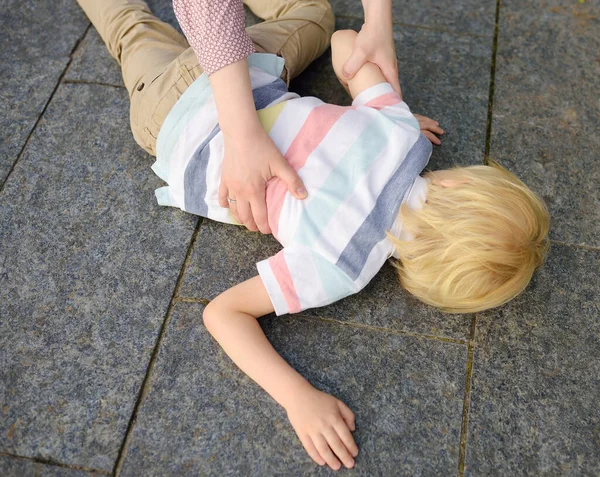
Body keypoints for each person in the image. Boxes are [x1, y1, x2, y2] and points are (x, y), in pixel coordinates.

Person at [76, 0, 551, 471]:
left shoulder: (403, 135)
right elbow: (223, 314)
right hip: (172, 119)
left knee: (317, 15)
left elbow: (348, 45)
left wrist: (390, 102)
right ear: (428, 280)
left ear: (460, 181)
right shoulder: (341, 267)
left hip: (241, 69)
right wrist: (297, 397)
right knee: (129, 28)